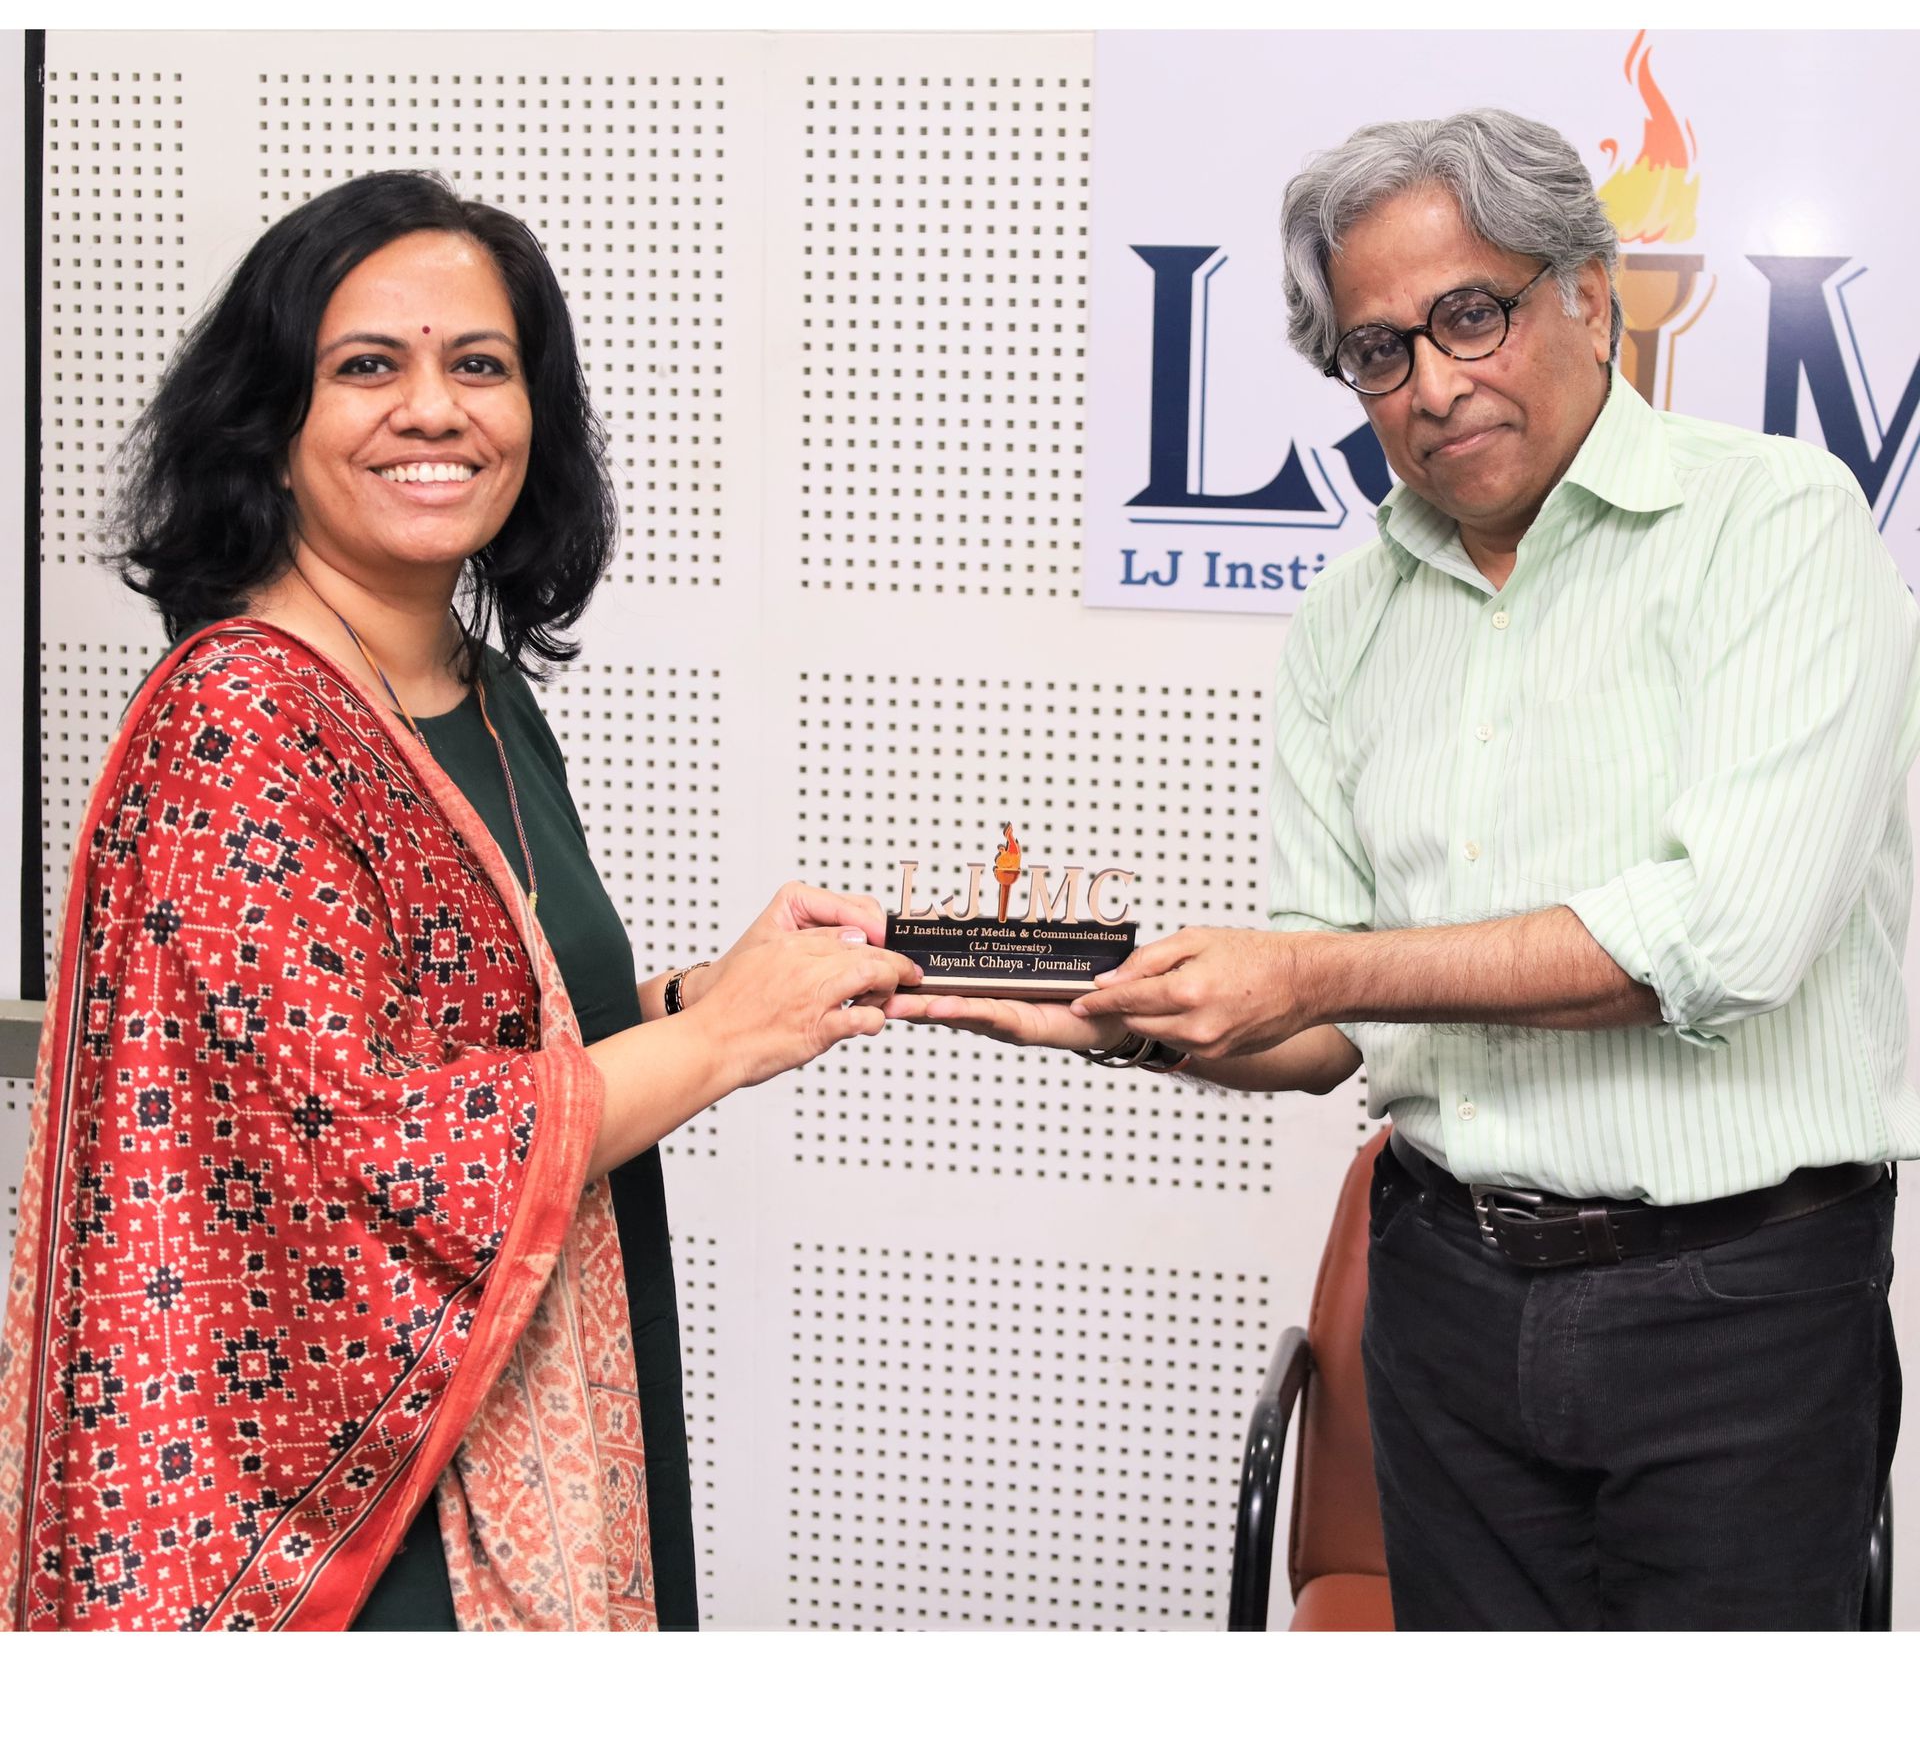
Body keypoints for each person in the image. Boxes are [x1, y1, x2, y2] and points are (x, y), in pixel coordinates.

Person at [892, 109, 1917, 1630]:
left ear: (1590, 295)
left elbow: (1724, 941)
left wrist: (1317, 968)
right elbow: (1329, 1032)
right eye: (1380, 350)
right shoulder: (1346, 615)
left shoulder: (1778, 526)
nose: (1433, 384)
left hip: (1734, 1310)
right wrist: (1130, 1019)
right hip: (1441, 1297)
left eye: (1471, 314)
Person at [0, 171, 918, 1631]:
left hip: (560, 1396)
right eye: (369, 366)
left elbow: (505, 1030)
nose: (434, 411)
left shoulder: (477, 694)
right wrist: (724, 1040)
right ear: (270, 425)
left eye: (480, 366)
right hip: (358, 1521)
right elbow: (370, 1148)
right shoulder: (239, 723)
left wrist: (707, 995)